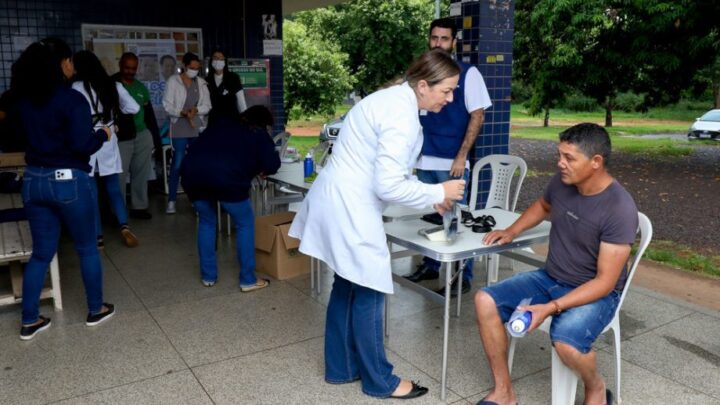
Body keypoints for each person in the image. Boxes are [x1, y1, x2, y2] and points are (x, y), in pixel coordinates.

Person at [288, 49, 467, 400]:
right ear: (423, 85)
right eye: (446, 90)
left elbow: (388, 173)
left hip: (339, 199)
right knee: (369, 289)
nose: (451, 98)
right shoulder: (401, 115)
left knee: (346, 285)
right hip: (350, 207)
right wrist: (438, 189)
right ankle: (380, 381)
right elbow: (387, 185)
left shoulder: (390, 100)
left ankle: (341, 369)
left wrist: (431, 194)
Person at [474, 123, 638, 405]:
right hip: (550, 278)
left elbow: (605, 282)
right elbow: (543, 205)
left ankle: (596, 388)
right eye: (559, 155)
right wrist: (513, 230)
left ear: (596, 162)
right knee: (484, 300)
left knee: (566, 343)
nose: (560, 163)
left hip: (596, 292)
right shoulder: (563, 182)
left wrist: (550, 308)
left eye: (569, 158)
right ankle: (504, 393)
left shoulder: (619, 209)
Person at [12, 38, 115, 340]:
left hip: (33, 181)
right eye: (69, 61)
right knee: (86, 248)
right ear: (60, 64)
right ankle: (96, 309)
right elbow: (83, 145)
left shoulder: (24, 102)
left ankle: (30, 320)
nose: (72, 66)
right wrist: (104, 134)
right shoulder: (72, 100)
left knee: (41, 254)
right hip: (70, 181)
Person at [404, 17, 492, 295]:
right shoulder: (424, 74)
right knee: (430, 217)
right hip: (424, 160)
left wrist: (461, 155)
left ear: (454, 42)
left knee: (454, 218)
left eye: (444, 38)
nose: (438, 43)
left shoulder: (468, 73)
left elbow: (478, 115)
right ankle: (430, 266)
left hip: (451, 161)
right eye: (434, 38)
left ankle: (460, 277)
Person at [180, 105, 279, 289]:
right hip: (227, 178)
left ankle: (208, 276)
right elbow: (272, 164)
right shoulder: (258, 132)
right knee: (244, 222)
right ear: (264, 123)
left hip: (192, 174)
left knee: (207, 222)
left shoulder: (220, 124)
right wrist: (261, 167)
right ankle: (248, 279)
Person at [72, 50, 140, 248]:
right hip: (108, 137)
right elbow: (134, 108)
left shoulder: (76, 87)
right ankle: (125, 226)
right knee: (114, 189)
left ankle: (98, 237)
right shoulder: (113, 85)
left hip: (87, 138)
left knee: (91, 191)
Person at [114, 52, 162, 220]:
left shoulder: (141, 87)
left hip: (142, 134)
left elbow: (149, 115)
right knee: (119, 175)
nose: (130, 71)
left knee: (141, 173)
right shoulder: (112, 84)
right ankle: (118, 211)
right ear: (120, 65)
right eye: (127, 67)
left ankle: (139, 207)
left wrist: (154, 138)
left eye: (133, 68)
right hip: (121, 138)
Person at [162, 52, 211, 215]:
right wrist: (182, 113)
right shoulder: (173, 81)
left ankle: (196, 201)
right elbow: (167, 106)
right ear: (184, 66)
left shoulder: (202, 83)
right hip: (179, 127)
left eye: (197, 68)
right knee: (178, 163)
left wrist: (196, 110)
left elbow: (207, 106)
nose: (194, 71)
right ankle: (171, 200)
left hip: (196, 127)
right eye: (191, 68)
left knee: (196, 165)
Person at [206, 49, 247, 127]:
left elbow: (241, 100)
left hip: (232, 119)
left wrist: (245, 117)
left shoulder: (233, 78)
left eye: (221, 58)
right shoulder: (207, 80)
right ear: (211, 61)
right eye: (215, 58)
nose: (218, 60)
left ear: (225, 60)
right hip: (214, 121)